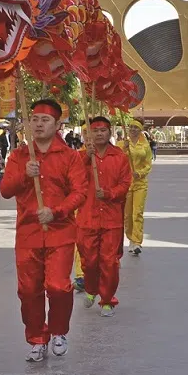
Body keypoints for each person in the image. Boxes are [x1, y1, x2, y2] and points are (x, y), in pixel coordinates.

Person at [0, 99, 87, 362]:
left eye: (45, 120)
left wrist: (56, 211)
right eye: (34, 119)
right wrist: (24, 175)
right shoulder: (19, 156)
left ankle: (59, 331)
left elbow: (79, 192)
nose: (38, 124)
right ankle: (37, 338)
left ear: (58, 125)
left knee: (58, 287)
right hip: (28, 234)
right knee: (28, 290)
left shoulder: (70, 157)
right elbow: (5, 190)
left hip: (60, 232)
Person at [76, 117, 132, 317]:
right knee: (89, 261)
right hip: (87, 217)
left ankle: (107, 299)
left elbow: (125, 184)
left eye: (103, 130)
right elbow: (72, 181)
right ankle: (91, 289)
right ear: (89, 134)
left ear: (110, 133)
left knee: (109, 262)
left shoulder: (119, 157)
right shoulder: (80, 156)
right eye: (95, 130)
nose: (99, 133)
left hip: (111, 219)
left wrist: (109, 194)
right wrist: (86, 158)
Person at [121, 119, 153, 255]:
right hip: (126, 184)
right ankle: (130, 238)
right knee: (127, 215)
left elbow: (148, 164)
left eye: (136, 128)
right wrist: (124, 149)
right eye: (132, 127)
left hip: (140, 183)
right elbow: (117, 160)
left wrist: (139, 173)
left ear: (140, 130)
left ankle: (137, 241)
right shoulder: (123, 144)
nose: (133, 129)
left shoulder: (145, 145)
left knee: (137, 213)